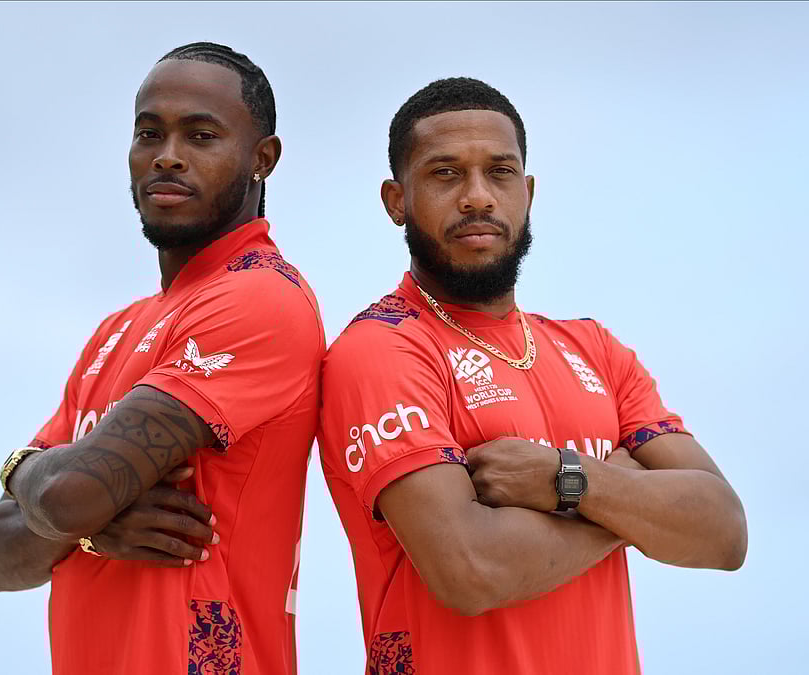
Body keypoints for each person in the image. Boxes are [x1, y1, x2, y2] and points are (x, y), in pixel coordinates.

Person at [319, 77, 748, 674]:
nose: (477, 197)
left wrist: (568, 481)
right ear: (396, 200)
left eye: (499, 172)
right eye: (445, 174)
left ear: (527, 191)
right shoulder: (381, 350)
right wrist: (632, 505)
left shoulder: (593, 348)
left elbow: (724, 532)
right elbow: (472, 571)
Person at [0, 42, 324, 675]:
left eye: (201, 135)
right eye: (148, 133)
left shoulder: (260, 300)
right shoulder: (117, 330)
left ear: (262, 160)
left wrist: (26, 474)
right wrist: (83, 524)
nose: (167, 155)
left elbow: (69, 495)